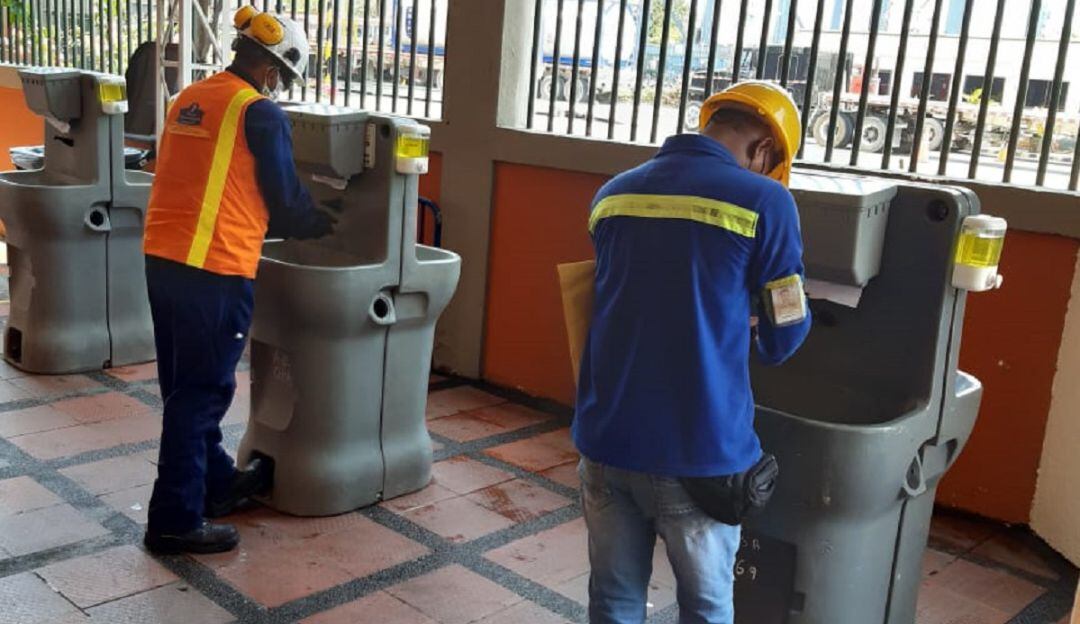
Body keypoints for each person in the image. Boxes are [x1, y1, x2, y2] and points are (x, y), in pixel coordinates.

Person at [573, 81, 813, 624]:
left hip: (607, 439)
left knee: (612, 599)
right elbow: (785, 332)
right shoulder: (767, 200)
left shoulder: (613, 194)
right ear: (764, 148)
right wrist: (755, 320)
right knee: (705, 607)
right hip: (700, 452)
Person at [141, 6, 335, 554]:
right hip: (214, 268)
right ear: (272, 69)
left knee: (185, 386)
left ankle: (217, 482)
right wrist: (320, 221)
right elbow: (285, 200)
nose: (278, 87)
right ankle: (174, 519)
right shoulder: (259, 112)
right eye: (282, 78)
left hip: (164, 258)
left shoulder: (191, 97)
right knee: (202, 393)